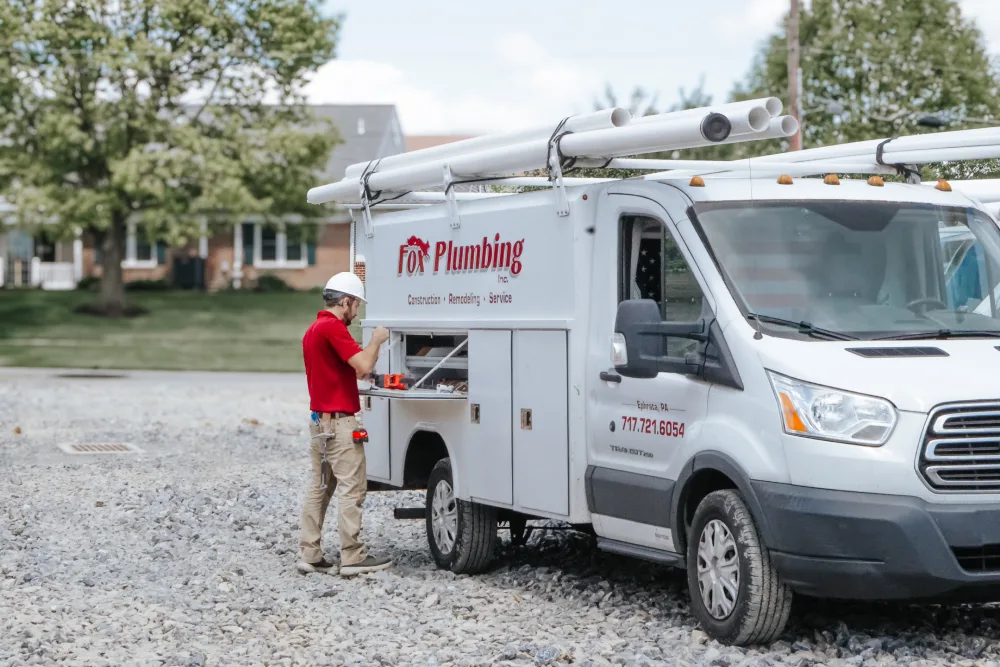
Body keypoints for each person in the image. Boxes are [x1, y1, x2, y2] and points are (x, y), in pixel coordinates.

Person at [297, 271, 392, 576]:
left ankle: (310, 553)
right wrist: (377, 339)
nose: (356, 312)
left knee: (320, 488)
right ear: (345, 301)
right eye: (356, 305)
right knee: (353, 489)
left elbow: (348, 370)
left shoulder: (313, 329)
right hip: (340, 425)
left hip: (319, 422)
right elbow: (363, 365)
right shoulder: (333, 328)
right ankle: (352, 556)